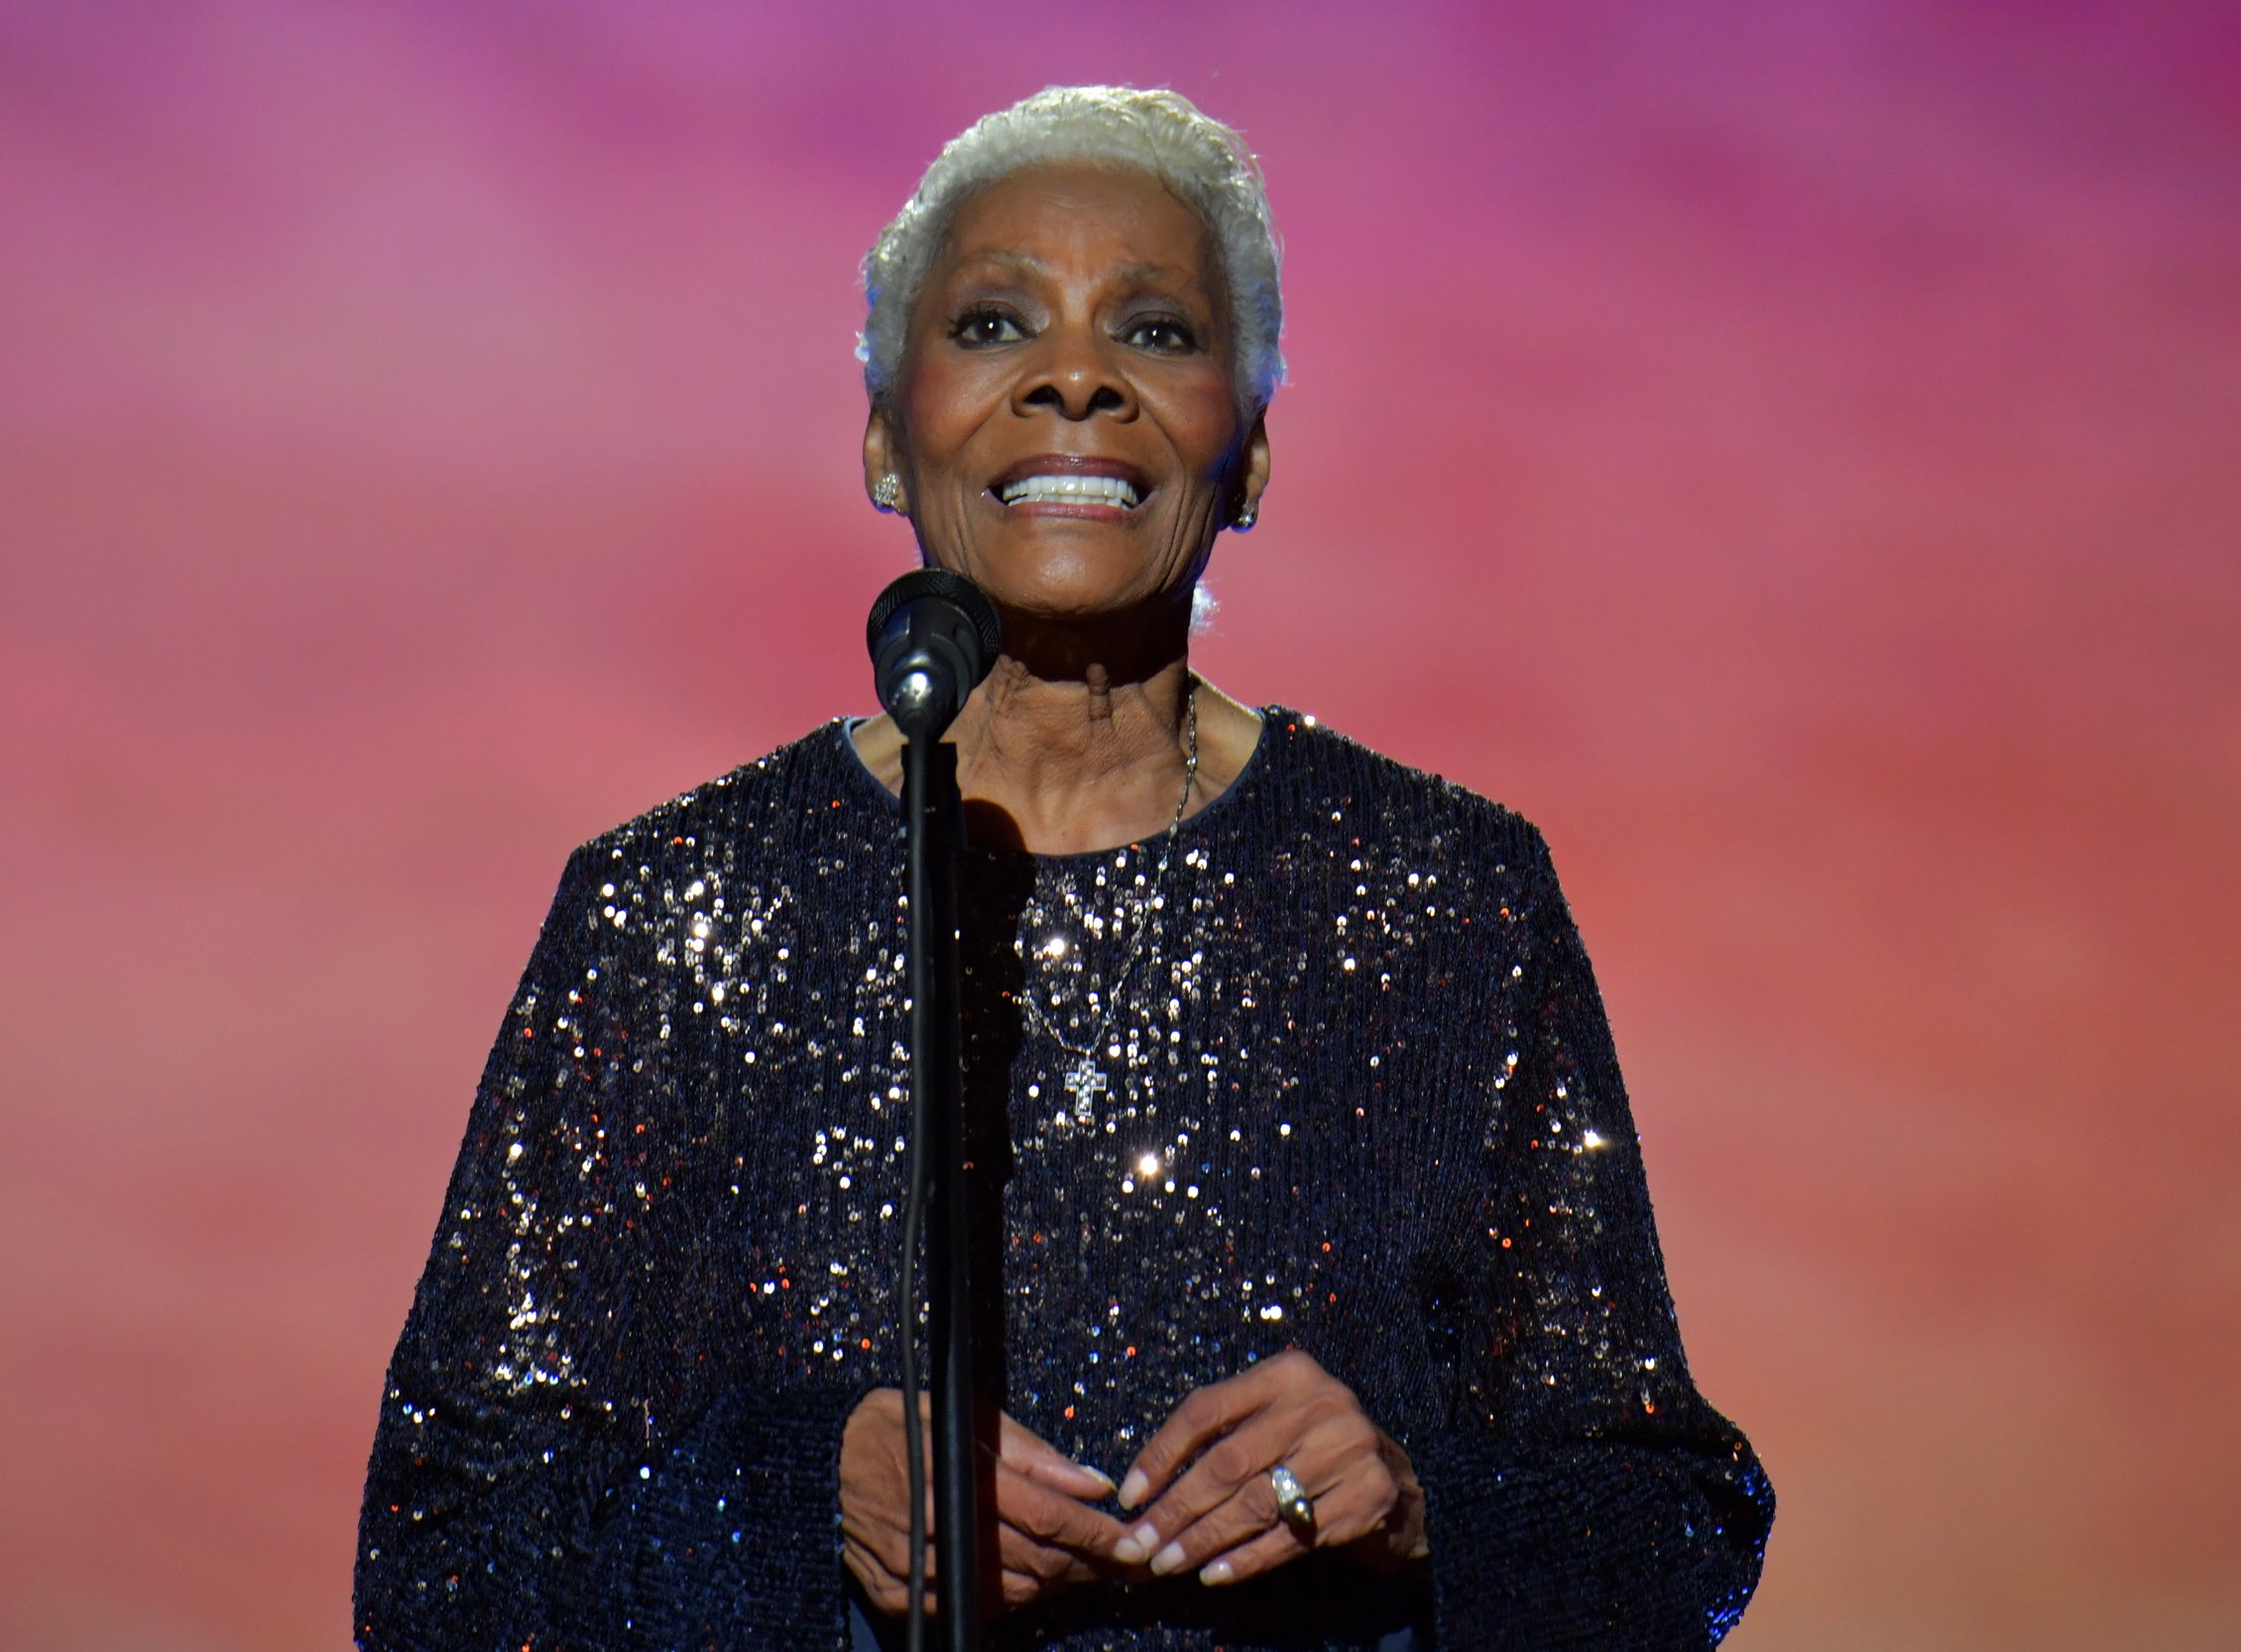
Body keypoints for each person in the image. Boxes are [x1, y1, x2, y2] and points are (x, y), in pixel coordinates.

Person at [354, 85, 1772, 1650]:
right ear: (888, 437)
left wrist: (1420, 1511)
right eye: (993, 324)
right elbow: (441, 1565)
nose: (1077, 377)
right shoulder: (672, 918)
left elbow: (1668, 1527)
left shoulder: (1450, 899)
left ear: (1251, 450)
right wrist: (786, 1501)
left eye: (1157, 331)